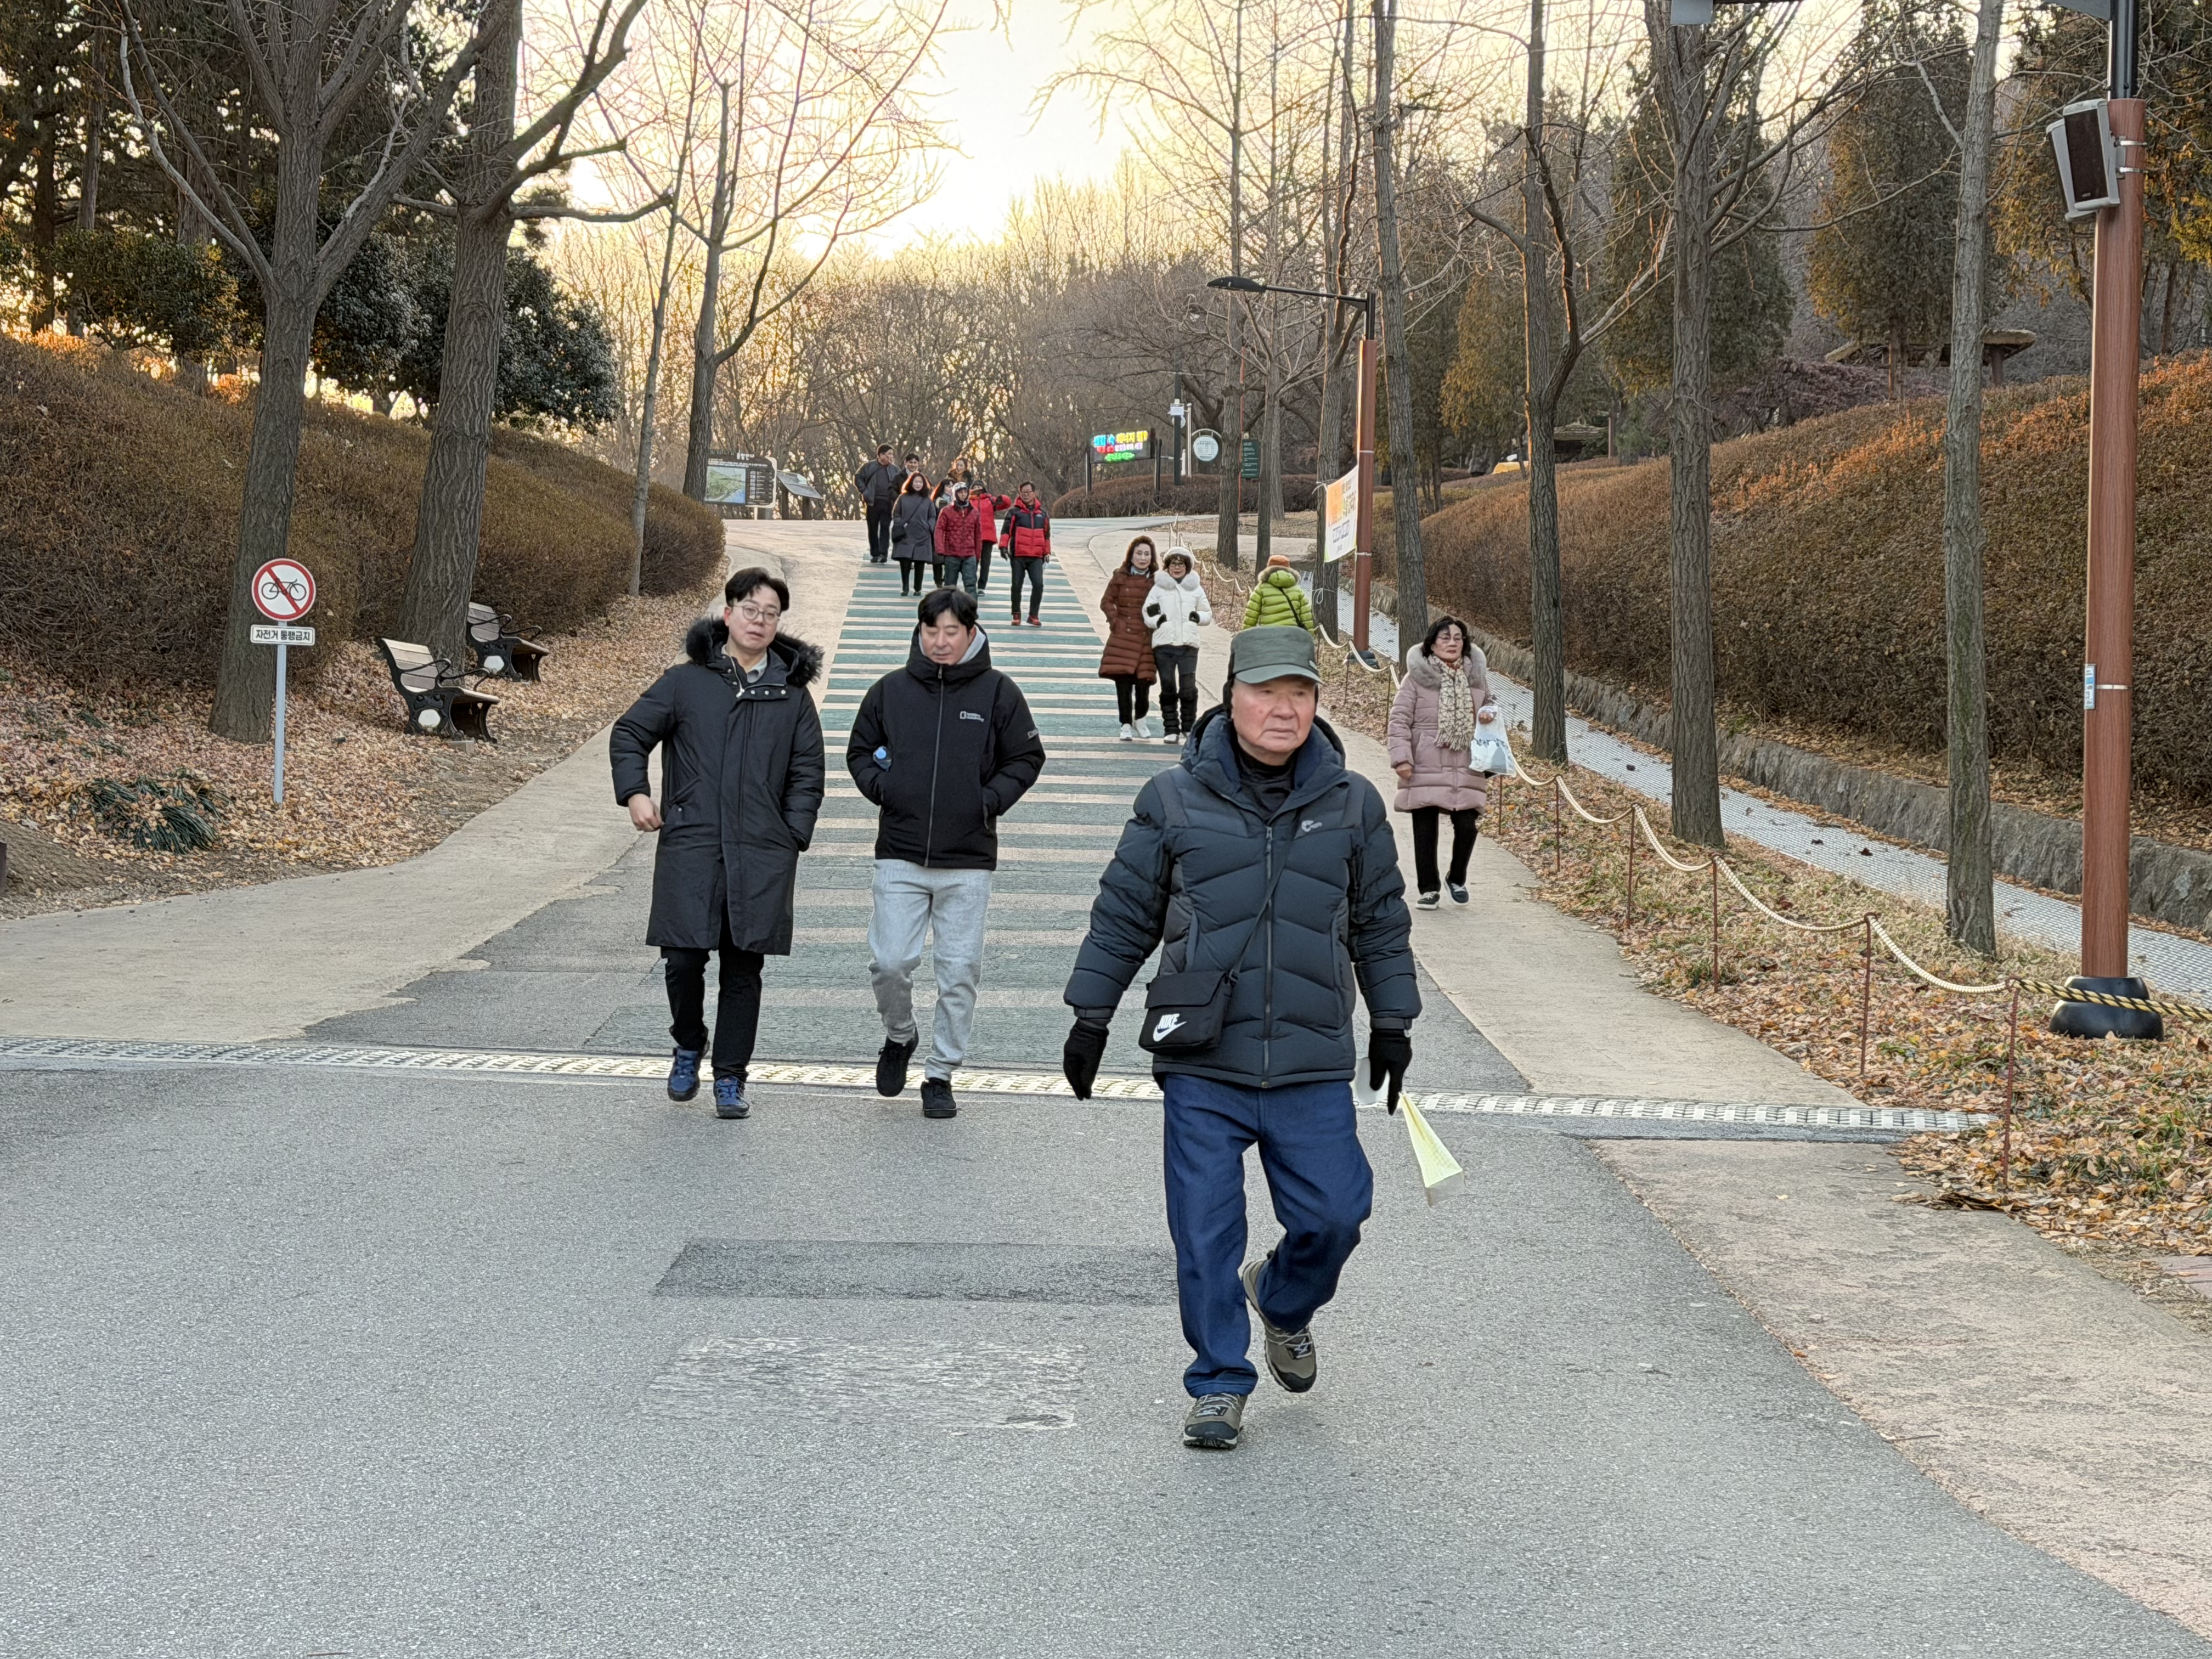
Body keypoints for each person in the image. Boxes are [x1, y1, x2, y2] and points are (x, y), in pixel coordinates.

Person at [1059, 625, 1419, 1452]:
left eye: (1300, 694)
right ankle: (1219, 1380)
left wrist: (1393, 1023)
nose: (1282, 710)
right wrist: (1090, 1016)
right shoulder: (1170, 798)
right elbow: (1123, 915)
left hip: (1310, 1057)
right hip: (1203, 1058)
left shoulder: (1354, 804)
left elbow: (1380, 922)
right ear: (1231, 698)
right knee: (1203, 1233)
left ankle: (1283, 1299)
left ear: (1317, 703)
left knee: (1337, 1214)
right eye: (1265, 693)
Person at [610, 568, 825, 1120]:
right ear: (728, 614)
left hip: (762, 850)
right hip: (693, 843)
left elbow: (808, 771)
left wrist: (791, 834)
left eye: (770, 613)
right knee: (682, 958)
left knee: (744, 967)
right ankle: (688, 1043)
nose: (759, 621)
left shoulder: (792, 696)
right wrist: (635, 793)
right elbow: (630, 732)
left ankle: (731, 1076)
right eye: (750, 609)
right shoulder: (686, 683)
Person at [847, 586, 1046, 1120]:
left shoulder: (999, 693)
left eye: (951, 631)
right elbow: (859, 750)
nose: (940, 641)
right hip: (900, 852)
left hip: (968, 859)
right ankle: (900, 1035)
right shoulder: (890, 691)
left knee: (958, 972)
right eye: (931, 630)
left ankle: (940, 1073)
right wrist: (886, 789)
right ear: (920, 631)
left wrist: (988, 801)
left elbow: (1027, 757)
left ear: (971, 632)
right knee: (889, 962)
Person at [1388, 614, 1499, 909]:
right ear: (1432, 643)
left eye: (1458, 638)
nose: (1452, 643)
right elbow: (1399, 720)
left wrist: (1489, 713)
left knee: (1467, 826)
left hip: (1466, 763)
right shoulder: (1416, 678)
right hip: (1425, 761)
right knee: (1425, 828)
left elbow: (1489, 706)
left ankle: (1457, 878)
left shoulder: (1476, 678)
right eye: (1445, 638)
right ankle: (1429, 889)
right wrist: (1401, 758)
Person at [1143, 547, 1212, 747]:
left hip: (1188, 645)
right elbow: (1148, 611)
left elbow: (1207, 613)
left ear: (1187, 567)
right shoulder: (1159, 588)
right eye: (1173, 564)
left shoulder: (1195, 589)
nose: (1177, 568)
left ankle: (1188, 727)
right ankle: (1171, 729)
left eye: (1181, 564)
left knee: (1188, 688)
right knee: (1168, 687)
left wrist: (1197, 617)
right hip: (1164, 645)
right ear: (1168, 566)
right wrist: (1159, 621)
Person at [1098, 535, 1160, 741]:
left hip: (1146, 637)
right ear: (1131, 556)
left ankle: (1141, 720)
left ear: (1152, 558)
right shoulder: (1120, 576)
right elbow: (1106, 602)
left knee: (1143, 683)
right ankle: (1125, 724)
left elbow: (1162, 605)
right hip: (1122, 637)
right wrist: (1116, 621)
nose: (1143, 558)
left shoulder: (1157, 581)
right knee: (1123, 683)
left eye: (1147, 554)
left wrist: (1155, 622)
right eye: (1139, 553)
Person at [1002, 482, 1051, 627]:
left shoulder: (1043, 514)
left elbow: (1047, 535)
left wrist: (1047, 552)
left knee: (1038, 585)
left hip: (1036, 556)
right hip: (1018, 555)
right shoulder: (1014, 512)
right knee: (1017, 585)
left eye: (1029, 492)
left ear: (1034, 493)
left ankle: (1033, 615)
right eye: (1023, 492)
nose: (1026, 494)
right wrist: (1003, 546)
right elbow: (1006, 531)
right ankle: (1016, 614)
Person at [932, 480, 986, 594]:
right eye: (960, 492)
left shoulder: (974, 512)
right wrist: (940, 549)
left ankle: (971, 606)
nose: (963, 495)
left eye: (965, 492)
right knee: (950, 586)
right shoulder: (947, 511)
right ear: (955, 494)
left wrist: (978, 554)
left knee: (971, 585)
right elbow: (939, 530)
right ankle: (949, 605)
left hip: (969, 554)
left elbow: (978, 534)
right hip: (952, 554)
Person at [1242, 551, 1317, 633]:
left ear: (1268, 569)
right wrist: (1310, 636)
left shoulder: (1261, 589)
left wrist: (1246, 634)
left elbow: (1251, 615)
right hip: (1292, 635)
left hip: (1268, 634)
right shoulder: (1298, 590)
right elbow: (1306, 617)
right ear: (1289, 569)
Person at [889, 470, 937, 597]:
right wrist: (901, 524)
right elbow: (896, 514)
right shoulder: (903, 498)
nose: (918, 484)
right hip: (906, 535)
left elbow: (932, 516)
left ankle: (918, 588)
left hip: (923, 536)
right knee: (905, 563)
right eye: (916, 482)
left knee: (920, 563)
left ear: (924, 484)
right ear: (911, 483)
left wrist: (929, 527)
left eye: (920, 482)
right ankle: (905, 587)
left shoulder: (927, 500)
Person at [855, 444, 905, 563]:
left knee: (885, 528)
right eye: (889, 454)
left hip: (888, 503)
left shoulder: (895, 469)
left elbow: (901, 484)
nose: (891, 457)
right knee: (873, 528)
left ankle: (883, 554)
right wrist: (865, 491)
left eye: (892, 454)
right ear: (881, 455)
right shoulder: (869, 466)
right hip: (873, 503)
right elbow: (858, 478)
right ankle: (875, 554)